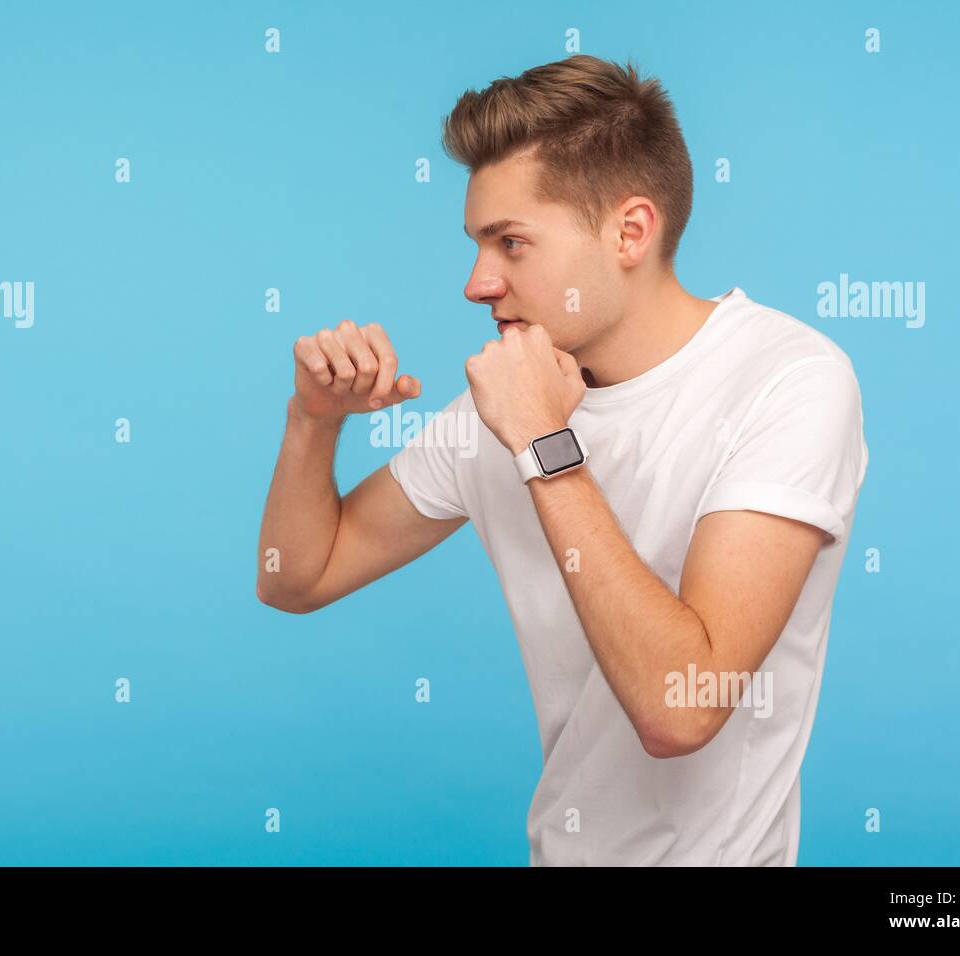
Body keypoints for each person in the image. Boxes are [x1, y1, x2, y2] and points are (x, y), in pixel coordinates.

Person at [256, 54, 868, 866]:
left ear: (630, 232)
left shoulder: (787, 381)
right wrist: (314, 420)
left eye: (511, 243)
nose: (477, 283)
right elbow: (296, 576)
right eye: (479, 244)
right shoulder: (498, 408)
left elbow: (681, 710)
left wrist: (546, 446)